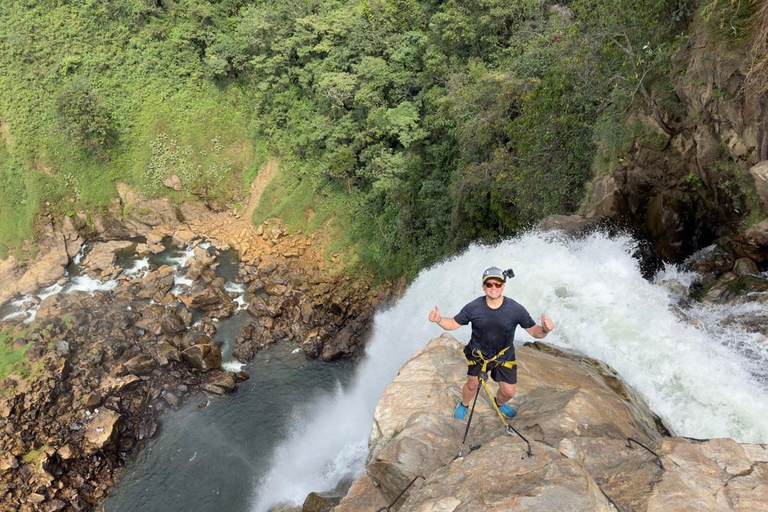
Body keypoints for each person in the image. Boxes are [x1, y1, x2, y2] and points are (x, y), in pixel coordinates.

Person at [428, 266, 555, 420]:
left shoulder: (516, 309)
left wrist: (545, 329)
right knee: (472, 385)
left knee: (509, 392)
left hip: (504, 356)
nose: (493, 288)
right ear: (483, 287)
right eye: (489, 284)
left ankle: (499, 404)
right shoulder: (474, 307)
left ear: (503, 286)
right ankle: (464, 404)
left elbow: (534, 331)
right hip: (478, 355)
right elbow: (454, 324)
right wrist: (439, 320)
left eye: (497, 284)